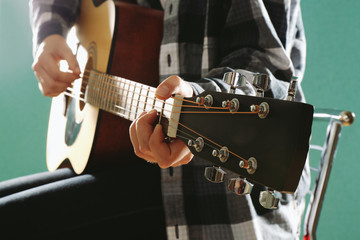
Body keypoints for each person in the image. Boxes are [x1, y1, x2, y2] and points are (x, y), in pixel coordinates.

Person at [0, 0, 309, 239]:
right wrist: (49, 32)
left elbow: (264, 65)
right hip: (122, 162)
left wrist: (200, 97)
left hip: (213, 197)